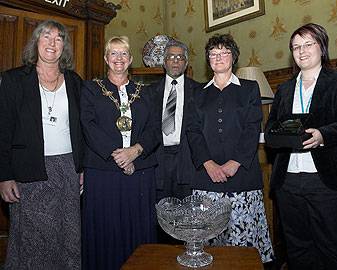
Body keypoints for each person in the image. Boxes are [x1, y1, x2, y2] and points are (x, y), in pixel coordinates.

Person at [264, 23, 337, 270]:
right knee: (298, 250)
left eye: (308, 44)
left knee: (334, 251)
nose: (302, 51)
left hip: (330, 181)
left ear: (322, 47)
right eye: (296, 46)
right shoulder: (284, 89)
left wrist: (323, 134)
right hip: (288, 182)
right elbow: (272, 127)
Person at [0, 20, 84, 269]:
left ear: (64, 47)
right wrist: (4, 176)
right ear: (36, 42)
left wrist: (82, 168)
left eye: (58, 38)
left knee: (68, 233)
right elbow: (3, 130)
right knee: (32, 238)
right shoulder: (14, 80)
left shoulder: (74, 81)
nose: (52, 43)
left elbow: (82, 130)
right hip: (29, 171)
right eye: (46, 36)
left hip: (67, 169)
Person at [186, 33, 274, 263]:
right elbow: (192, 131)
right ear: (208, 59)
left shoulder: (249, 88)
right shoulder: (197, 93)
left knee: (242, 249)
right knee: (209, 250)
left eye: (224, 52)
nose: (219, 57)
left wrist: (234, 163)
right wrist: (209, 164)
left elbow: (252, 127)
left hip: (242, 177)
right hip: (206, 179)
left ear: (233, 57)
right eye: (213, 54)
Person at [81, 36, 159, 269]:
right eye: (113, 53)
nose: (118, 58)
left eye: (123, 53)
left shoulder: (146, 92)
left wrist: (135, 151)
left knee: (137, 228)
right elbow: (88, 124)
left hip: (140, 171)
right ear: (106, 58)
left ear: (130, 59)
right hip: (102, 171)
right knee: (105, 228)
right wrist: (118, 155)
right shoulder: (91, 88)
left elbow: (155, 129)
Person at [148, 39, 201, 202]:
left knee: (188, 216)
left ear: (186, 64)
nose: (175, 61)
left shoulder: (199, 91)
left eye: (180, 57)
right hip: (158, 159)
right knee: (159, 216)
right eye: (171, 57)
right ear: (164, 62)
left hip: (187, 159)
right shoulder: (148, 92)